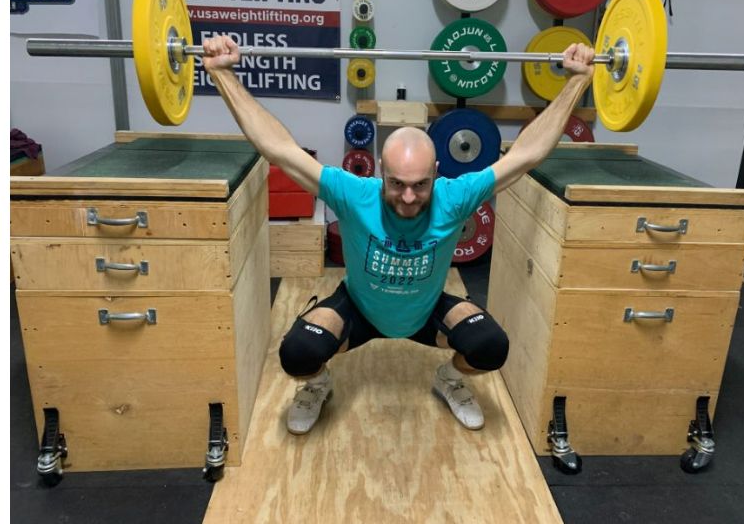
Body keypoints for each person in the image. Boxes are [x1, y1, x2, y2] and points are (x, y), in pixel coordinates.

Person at [202, 36, 594, 434]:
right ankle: (319, 385)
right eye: (397, 184)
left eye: (421, 185)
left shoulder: (454, 197)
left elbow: (526, 154)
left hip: (424, 313)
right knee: (297, 355)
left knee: (492, 348)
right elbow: (279, 149)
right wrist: (223, 75)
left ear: (438, 172)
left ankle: (449, 378)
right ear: (378, 172)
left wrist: (577, 82)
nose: (408, 197)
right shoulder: (353, 194)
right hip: (359, 310)